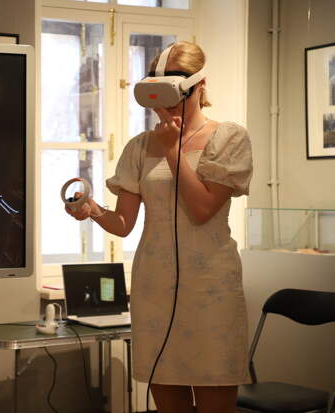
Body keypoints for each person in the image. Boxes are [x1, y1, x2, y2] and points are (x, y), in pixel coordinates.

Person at [65, 41, 253, 413]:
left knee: (215, 398)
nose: (166, 107)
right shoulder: (139, 147)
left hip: (211, 287)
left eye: (175, 94)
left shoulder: (228, 138)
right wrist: (93, 210)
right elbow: (123, 224)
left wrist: (172, 150)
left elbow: (202, 209)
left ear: (199, 86)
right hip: (154, 287)